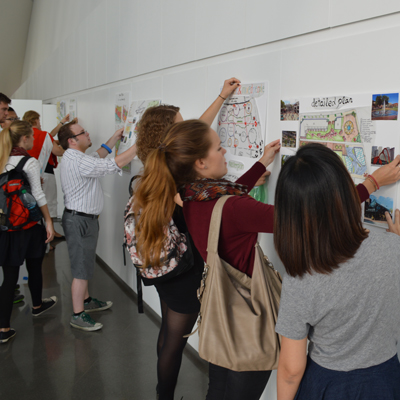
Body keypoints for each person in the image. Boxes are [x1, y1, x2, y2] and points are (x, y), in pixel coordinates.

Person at [132, 119, 400, 399]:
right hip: (247, 317)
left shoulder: (188, 196)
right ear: (200, 162)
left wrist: (260, 165)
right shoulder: (233, 207)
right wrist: (372, 183)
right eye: (219, 148)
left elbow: (226, 196)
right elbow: (304, 215)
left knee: (218, 387)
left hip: (219, 311)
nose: (224, 152)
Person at [133, 78, 247, 400]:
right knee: (175, 339)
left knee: (168, 331)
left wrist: (222, 96)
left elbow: (200, 128)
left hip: (168, 268)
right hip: (183, 271)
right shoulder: (174, 176)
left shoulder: (155, 166)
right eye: (180, 126)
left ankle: (162, 395)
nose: (188, 128)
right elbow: (199, 133)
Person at [273, 143, 400, 400]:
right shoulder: (394, 248)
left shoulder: (301, 278)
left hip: (328, 384)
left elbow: (291, 370)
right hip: (386, 378)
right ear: (345, 192)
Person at [58, 121, 137, 332]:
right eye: (83, 132)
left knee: (84, 263)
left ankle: (86, 301)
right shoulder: (76, 161)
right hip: (80, 221)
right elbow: (111, 164)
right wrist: (139, 145)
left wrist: (114, 137)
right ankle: (77, 315)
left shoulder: (77, 157)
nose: (87, 133)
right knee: (81, 270)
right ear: (71, 140)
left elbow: (99, 156)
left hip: (84, 219)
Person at [0, 121, 57, 344]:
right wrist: (49, 221)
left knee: (9, 278)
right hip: (29, 226)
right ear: (24, 139)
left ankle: (3, 328)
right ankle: (36, 305)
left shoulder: (2, 158)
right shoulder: (29, 162)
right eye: (32, 137)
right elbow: (39, 195)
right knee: (34, 268)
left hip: (6, 228)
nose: (34, 140)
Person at [22, 110, 72, 241]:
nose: (40, 123)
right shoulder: (43, 135)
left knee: (33, 203)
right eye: (39, 120)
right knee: (47, 203)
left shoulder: (25, 135)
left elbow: (50, 135)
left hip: (26, 174)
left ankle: (43, 233)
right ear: (35, 120)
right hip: (45, 173)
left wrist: (62, 122)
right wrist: (71, 146)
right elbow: (58, 151)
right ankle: (48, 235)